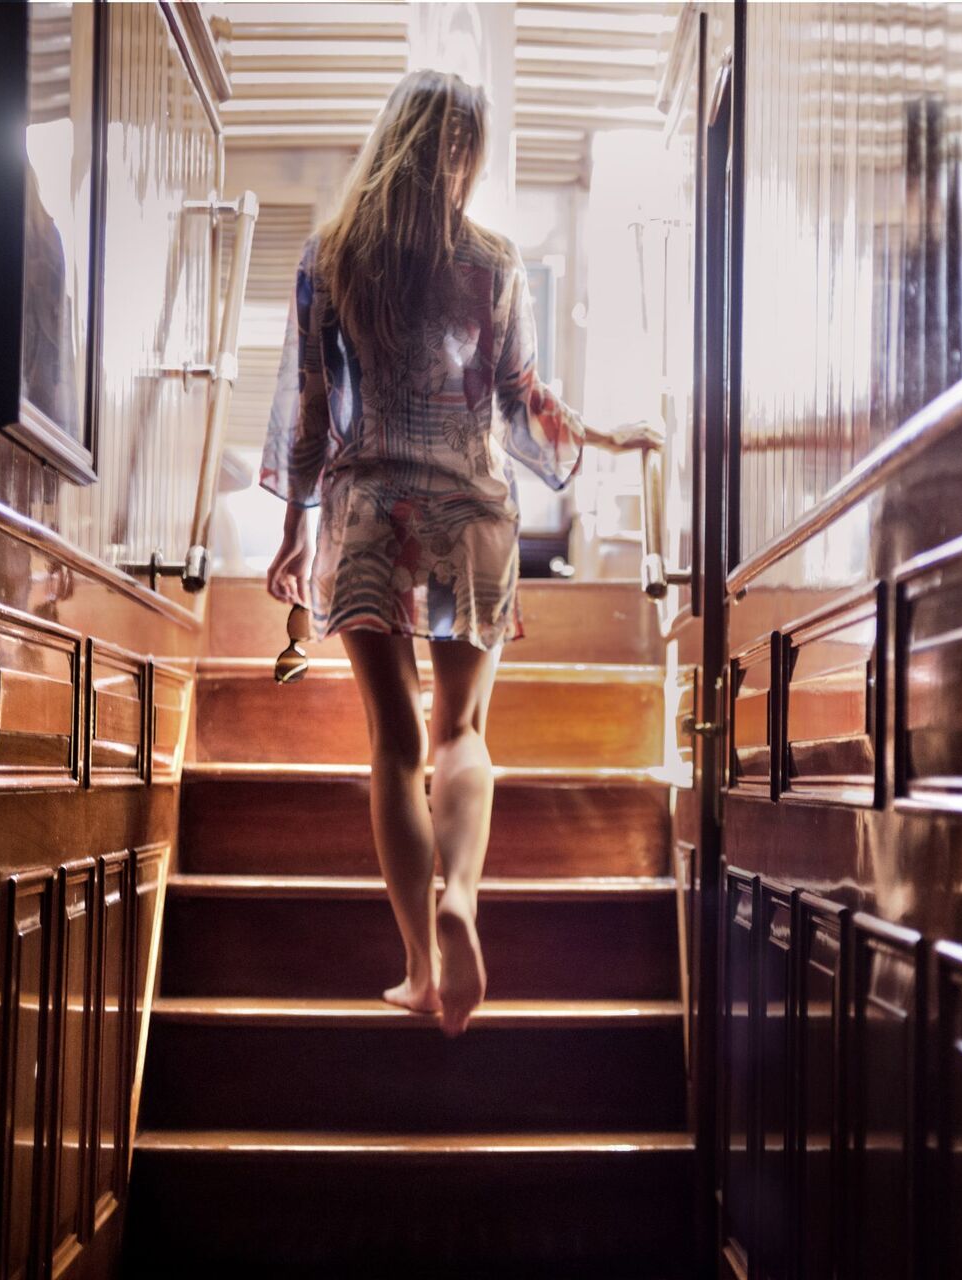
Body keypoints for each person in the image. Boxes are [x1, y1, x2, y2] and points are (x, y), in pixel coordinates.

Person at [259, 69, 658, 1037]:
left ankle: (417, 964)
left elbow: (313, 411)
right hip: (473, 515)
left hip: (364, 515)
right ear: (462, 153)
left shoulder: (330, 256)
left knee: (393, 748)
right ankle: (462, 900)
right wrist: (598, 439)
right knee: (461, 734)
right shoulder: (494, 262)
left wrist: (294, 523)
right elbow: (523, 402)